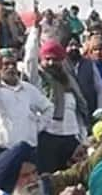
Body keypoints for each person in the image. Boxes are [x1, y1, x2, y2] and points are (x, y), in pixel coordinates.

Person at [0, 50, 52, 162]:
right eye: (6, 64)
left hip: (27, 152)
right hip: (1, 152)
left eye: (13, 64)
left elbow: (48, 108)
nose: (10, 67)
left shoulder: (28, 89)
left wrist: (37, 126)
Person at [30, 36, 91, 173]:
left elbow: (78, 110)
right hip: (48, 137)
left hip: (71, 138)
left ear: (62, 60)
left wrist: (82, 136)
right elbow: (30, 60)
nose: (51, 63)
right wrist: (34, 32)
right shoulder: (38, 79)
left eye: (55, 59)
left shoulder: (69, 80)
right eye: (47, 59)